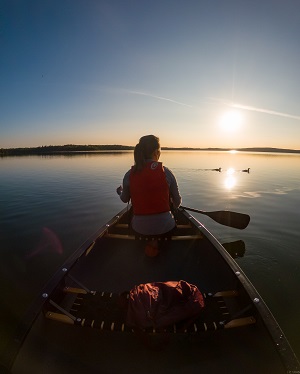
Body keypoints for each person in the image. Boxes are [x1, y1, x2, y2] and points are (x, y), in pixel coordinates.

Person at [117, 135, 181, 254]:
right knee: (172, 211)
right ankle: (156, 242)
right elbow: (177, 203)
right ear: (157, 152)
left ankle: (150, 242)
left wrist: (120, 192)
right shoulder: (166, 172)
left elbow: (125, 199)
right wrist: (169, 201)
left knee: (131, 211)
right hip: (166, 228)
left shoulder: (129, 174)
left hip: (139, 229)